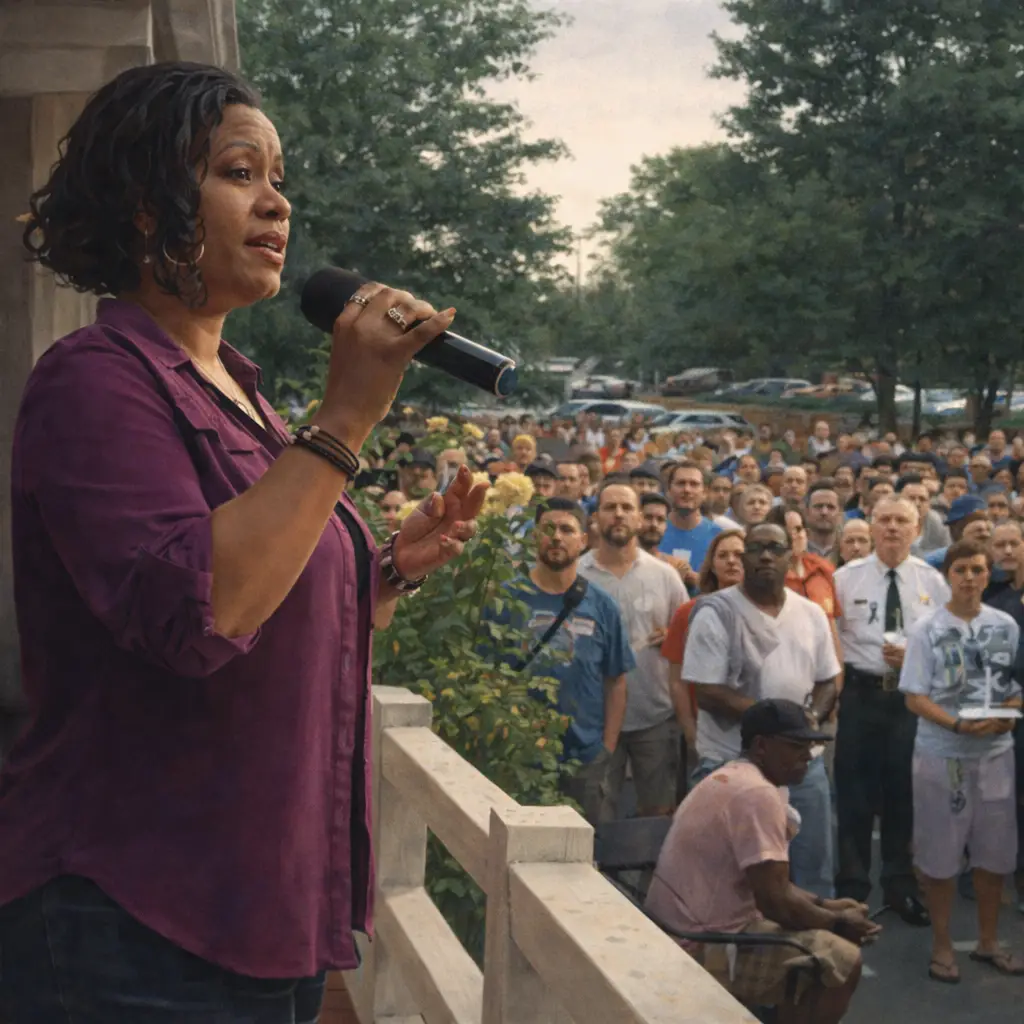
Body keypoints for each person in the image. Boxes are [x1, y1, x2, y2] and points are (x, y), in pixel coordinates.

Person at [0, 61, 486, 1023]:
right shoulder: (95, 380)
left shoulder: (246, 394)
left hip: (265, 905)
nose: (277, 203)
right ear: (148, 204)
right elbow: (203, 611)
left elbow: (273, 603)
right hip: (132, 918)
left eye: (278, 178)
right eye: (238, 172)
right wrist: (345, 419)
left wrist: (385, 571)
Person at [646, 700, 878, 1024]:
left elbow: (773, 885)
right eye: (796, 746)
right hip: (698, 942)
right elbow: (775, 902)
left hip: (687, 928)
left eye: (810, 747)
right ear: (761, 746)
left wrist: (827, 905)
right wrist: (838, 923)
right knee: (843, 960)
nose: (808, 756)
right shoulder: (756, 793)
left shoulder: (742, 777)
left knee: (821, 948)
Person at [683, 524, 840, 896]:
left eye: (775, 548)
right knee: (730, 880)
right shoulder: (716, 613)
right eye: (755, 549)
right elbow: (707, 692)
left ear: (790, 555)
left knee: (812, 872)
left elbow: (828, 681)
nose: (765, 556)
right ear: (744, 558)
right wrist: (779, 723)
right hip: (732, 763)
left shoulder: (811, 613)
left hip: (803, 766)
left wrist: (809, 720)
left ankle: (814, 935)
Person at [899, 540, 1023, 982]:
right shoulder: (926, 629)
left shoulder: (1005, 625)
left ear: (989, 575)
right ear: (947, 576)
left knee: (995, 855)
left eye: (978, 569)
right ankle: (942, 944)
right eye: (961, 570)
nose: (969, 577)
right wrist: (955, 724)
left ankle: (989, 942)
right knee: (940, 854)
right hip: (942, 755)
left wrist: (1009, 713)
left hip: (995, 755)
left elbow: (1016, 686)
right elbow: (915, 697)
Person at [833, 497, 951, 924]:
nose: (893, 528)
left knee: (904, 793)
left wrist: (917, 657)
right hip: (861, 695)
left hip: (908, 700)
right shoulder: (845, 578)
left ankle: (900, 886)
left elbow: (947, 642)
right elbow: (832, 638)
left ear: (917, 529)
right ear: (871, 526)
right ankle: (852, 889)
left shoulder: (932, 581)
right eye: (884, 519)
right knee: (854, 795)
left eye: (902, 521)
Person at [484, 498, 632, 826]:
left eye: (567, 529)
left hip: (584, 757)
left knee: (582, 848)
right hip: (518, 755)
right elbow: (486, 675)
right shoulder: (506, 599)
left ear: (584, 540)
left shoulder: (602, 606)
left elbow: (616, 681)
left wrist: (606, 749)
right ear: (534, 536)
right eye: (548, 529)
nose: (556, 537)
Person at [579, 483, 687, 817]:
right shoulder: (578, 575)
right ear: (595, 518)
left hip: (655, 716)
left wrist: (671, 636)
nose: (619, 515)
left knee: (659, 814)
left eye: (627, 508)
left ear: (639, 518)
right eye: (610, 507)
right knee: (596, 814)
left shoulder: (665, 576)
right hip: (594, 719)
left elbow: (687, 639)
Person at [662, 531, 746, 794]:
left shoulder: (765, 611)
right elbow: (676, 680)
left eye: (739, 555)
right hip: (707, 735)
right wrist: (690, 732)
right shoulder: (689, 612)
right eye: (723, 555)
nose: (731, 561)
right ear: (712, 564)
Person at [659, 462, 722, 592]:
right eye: (681, 483)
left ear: (704, 493)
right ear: (668, 491)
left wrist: (700, 582)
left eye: (694, 484)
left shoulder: (719, 537)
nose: (687, 490)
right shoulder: (653, 532)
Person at [806, 479, 844, 563]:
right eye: (818, 506)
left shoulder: (847, 551)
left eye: (831, 507)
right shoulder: (795, 552)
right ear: (807, 512)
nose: (824, 512)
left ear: (840, 514)